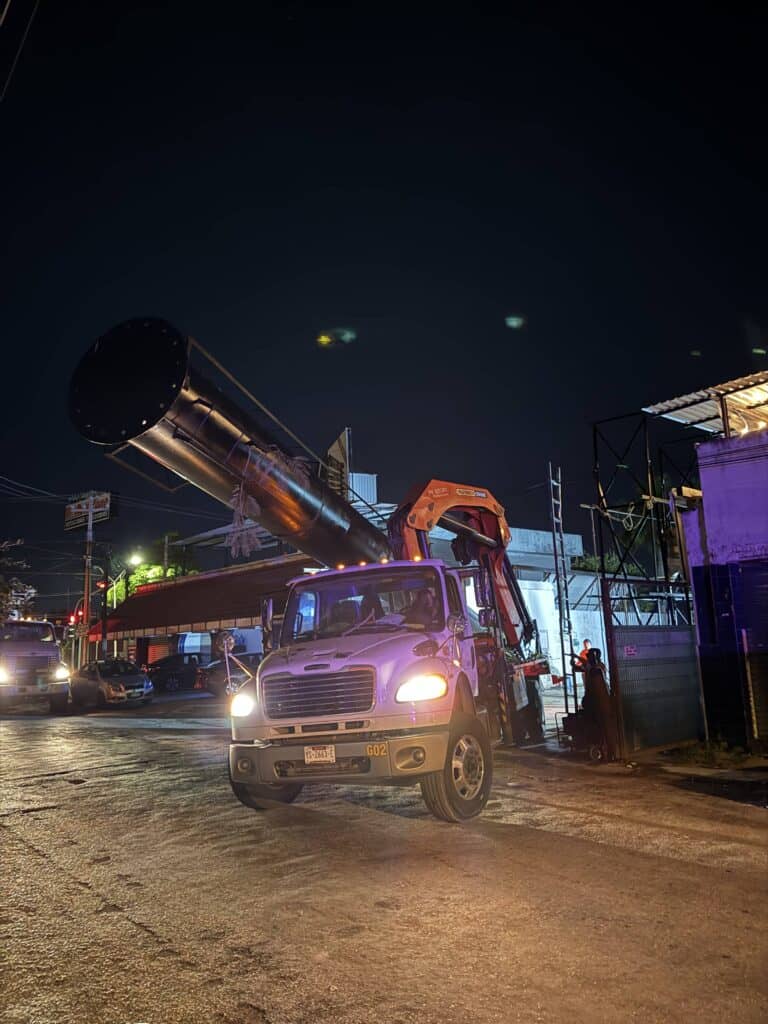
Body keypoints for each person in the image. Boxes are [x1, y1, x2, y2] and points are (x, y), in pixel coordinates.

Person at [581, 647, 619, 762]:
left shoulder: (596, 670)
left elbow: (596, 690)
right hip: (602, 704)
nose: (588, 660)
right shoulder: (596, 668)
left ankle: (608, 753)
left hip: (600, 704)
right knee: (604, 729)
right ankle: (608, 752)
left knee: (604, 730)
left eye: (590, 657)